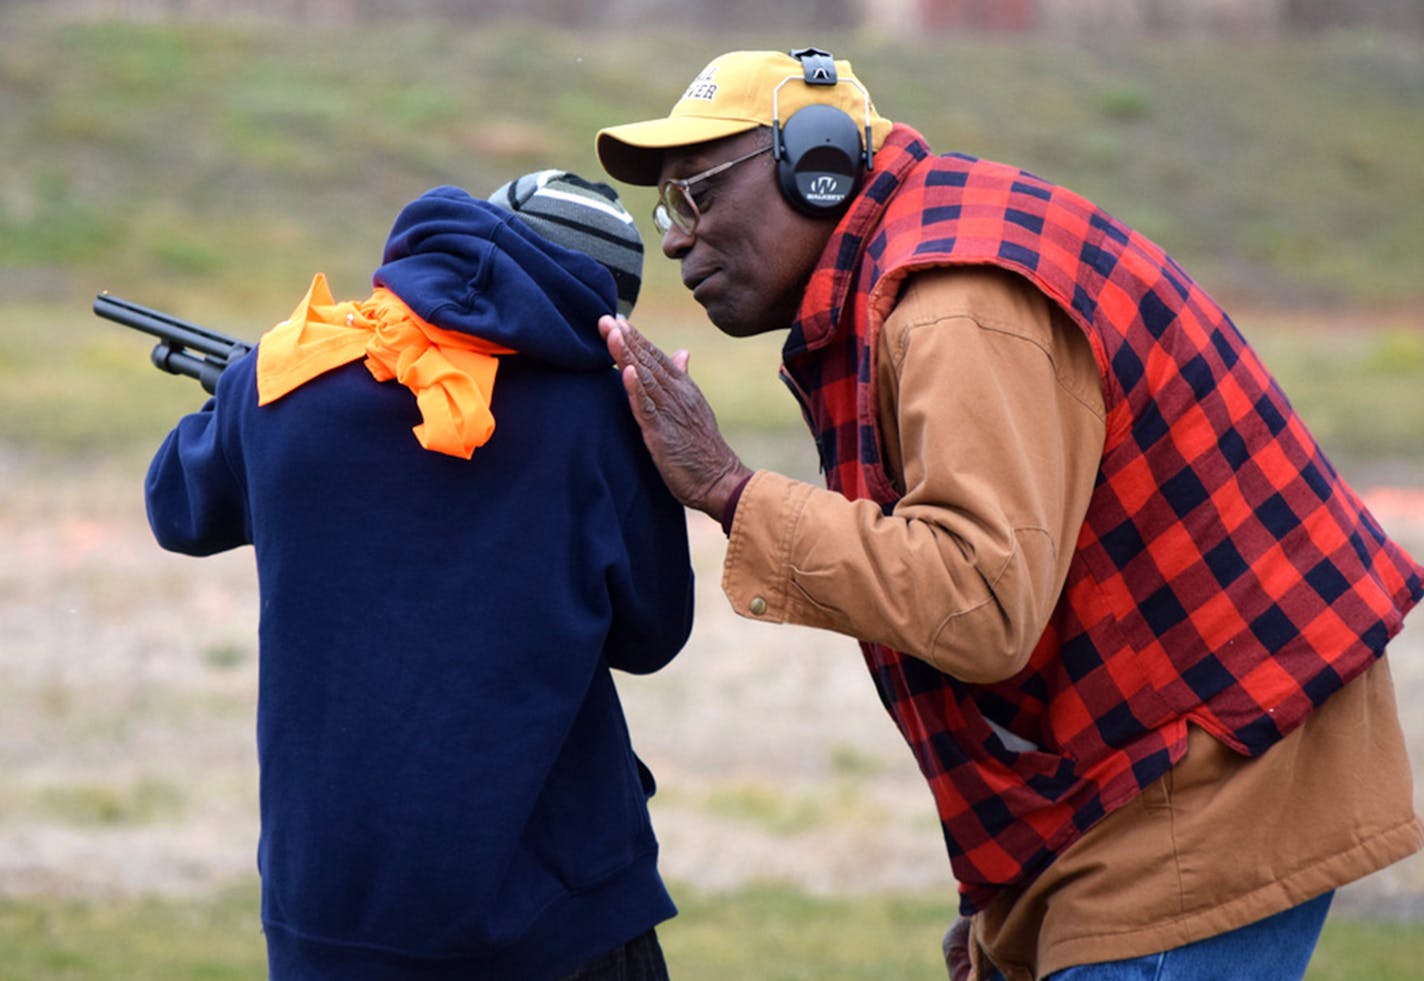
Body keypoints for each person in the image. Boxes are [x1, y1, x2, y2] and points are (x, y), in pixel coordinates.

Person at [590, 47, 1424, 980]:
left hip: (1211, 777)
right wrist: (1003, 897)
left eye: (696, 194)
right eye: (668, 208)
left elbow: (979, 598)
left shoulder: (952, 302)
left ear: (813, 165)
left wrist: (727, 489)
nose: (674, 238)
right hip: (1157, 770)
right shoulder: (911, 271)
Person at [145, 171, 695, 980]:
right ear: (602, 310)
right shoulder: (602, 416)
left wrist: (240, 393)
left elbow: (176, 504)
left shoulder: (297, 365)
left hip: (326, 915)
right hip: (562, 918)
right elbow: (653, 631)